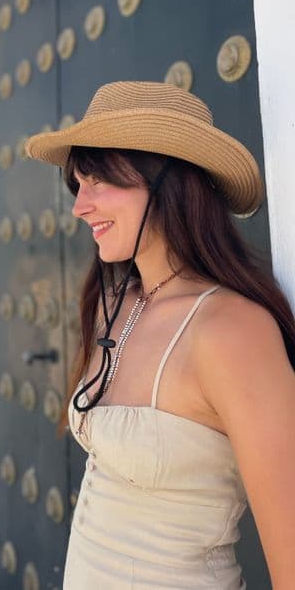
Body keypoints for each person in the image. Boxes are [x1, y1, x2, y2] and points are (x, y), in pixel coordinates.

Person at [25, 81, 295, 590]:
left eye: (98, 181)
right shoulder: (117, 306)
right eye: (77, 185)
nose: (80, 207)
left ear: (168, 182)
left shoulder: (231, 331)